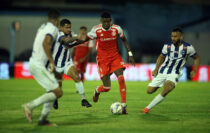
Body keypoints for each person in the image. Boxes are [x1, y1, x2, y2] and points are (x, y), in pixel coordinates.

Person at [86, 12, 135, 114]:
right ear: (101, 21)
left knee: (121, 78)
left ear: (110, 21)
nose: (106, 23)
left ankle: (124, 105)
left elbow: (124, 40)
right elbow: (84, 39)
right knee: (107, 87)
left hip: (114, 57)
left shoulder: (117, 29)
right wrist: (73, 42)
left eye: (108, 21)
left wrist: (130, 54)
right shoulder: (96, 30)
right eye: (104, 21)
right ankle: (97, 90)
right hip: (102, 60)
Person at [143, 27, 200, 114]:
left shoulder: (188, 47)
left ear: (181, 37)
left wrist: (195, 70)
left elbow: (196, 58)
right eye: (172, 36)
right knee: (149, 91)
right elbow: (161, 57)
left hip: (175, 73)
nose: (173, 38)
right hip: (163, 70)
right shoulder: (167, 46)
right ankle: (163, 84)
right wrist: (156, 69)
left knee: (167, 88)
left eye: (175, 36)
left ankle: (147, 108)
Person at [21, 9, 61, 126]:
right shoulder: (53, 29)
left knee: (52, 91)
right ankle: (29, 106)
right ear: (57, 20)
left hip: (36, 63)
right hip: (38, 65)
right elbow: (45, 43)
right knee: (58, 92)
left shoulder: (43, 27)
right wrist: (52, 62)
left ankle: (43, 120)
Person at [51, 19, 92, 109]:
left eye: (70, 27)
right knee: (58, 87)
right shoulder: (58, 34)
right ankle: (55, 99)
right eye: (67, 27)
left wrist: (86, 39)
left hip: (67, 62)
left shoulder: (71, 33)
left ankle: (83, 100)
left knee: (77, 77)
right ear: (61, 27)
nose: (69, 29)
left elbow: (72, 44)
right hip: (56, 64)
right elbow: (67, 41)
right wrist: (78, 36)